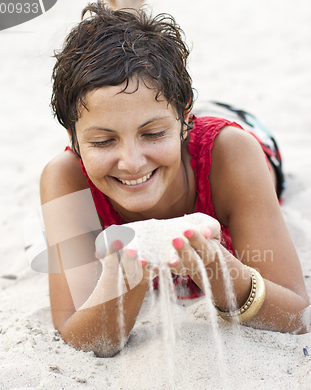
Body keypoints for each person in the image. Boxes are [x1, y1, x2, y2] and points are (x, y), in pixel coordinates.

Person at [40, 1, 310, 356]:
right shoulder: (66, 177)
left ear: (186, 118)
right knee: (136, 80)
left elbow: (296, 314)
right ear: (73, 138)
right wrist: (130, 274)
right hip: (161, 108)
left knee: (147, 80)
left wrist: (215, 265)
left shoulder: (231, 155)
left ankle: (130, 23)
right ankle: (126, 21)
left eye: (152, 135)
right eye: (103, 141)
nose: (132, 162)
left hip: (228, 130)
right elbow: (77, 334)